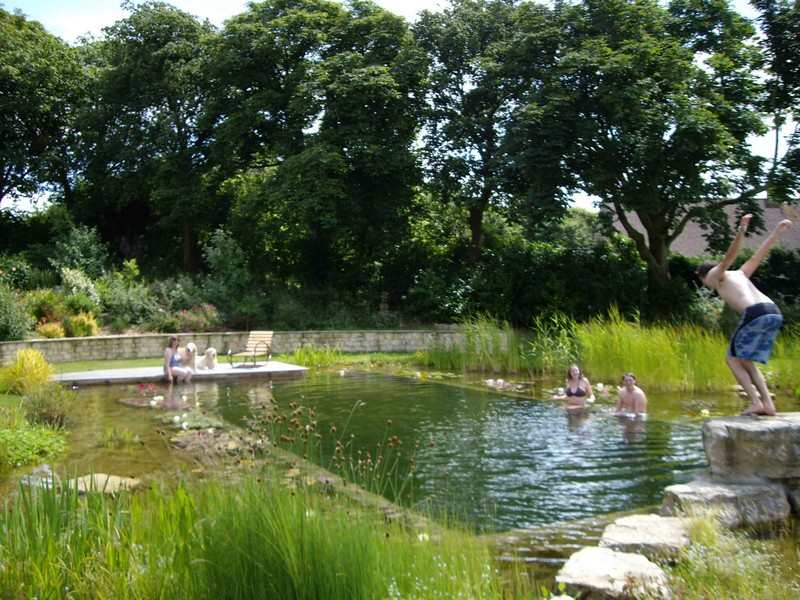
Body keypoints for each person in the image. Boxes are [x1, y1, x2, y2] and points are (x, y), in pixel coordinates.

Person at [696, 214, 793, 416]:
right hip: (773, 313)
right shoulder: (740, 274)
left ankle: (756, 402)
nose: (707, 286)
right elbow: (759, 255)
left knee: (731, 359)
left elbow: (729, 257)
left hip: (755, 314)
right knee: (746, 360)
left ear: (703, 276)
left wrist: (741, 229)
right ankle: (768, 404)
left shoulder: (716, 275)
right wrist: (777, 232)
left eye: (703, 282)